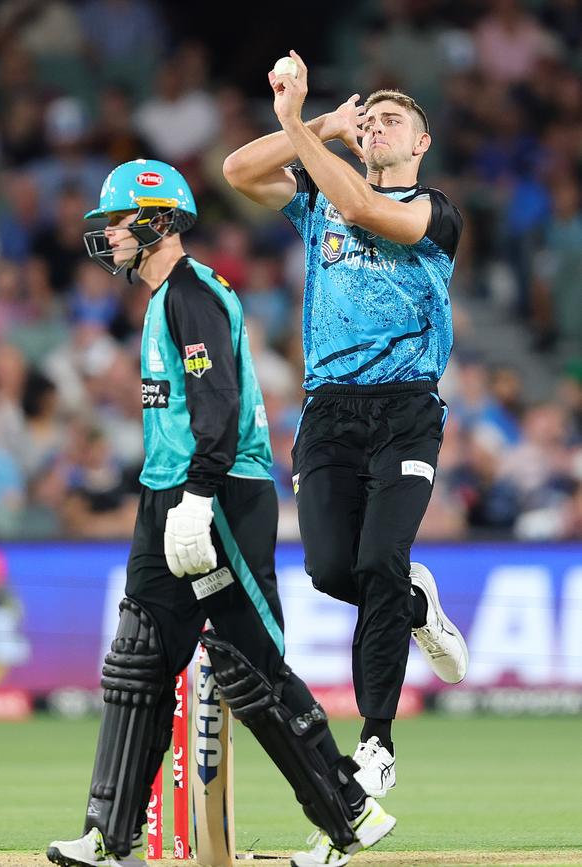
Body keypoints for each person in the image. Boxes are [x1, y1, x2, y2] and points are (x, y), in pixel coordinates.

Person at [46, 159, 396, 867]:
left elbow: (221, 404)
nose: (108, 234)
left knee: (249, 663)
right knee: (138, 657)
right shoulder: (162, 300)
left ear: (158, 222)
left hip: (220, 495)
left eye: (118, 220)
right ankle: (111, 836)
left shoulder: (192, 295)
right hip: (167, 494)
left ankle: (351, 812)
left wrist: (199, 496)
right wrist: (172, 498)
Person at [223, 52, 469, 808]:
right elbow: (237, 171)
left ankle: (376, 741)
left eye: (394, 119)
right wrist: (320, 127)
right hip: (328, 407)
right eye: (371, 119)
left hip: (405, 408)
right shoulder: (318, 191)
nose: (379, 126)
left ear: (421, 143)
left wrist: (299, 124)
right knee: (334, 570)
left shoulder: (437, 211)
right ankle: (415, 604)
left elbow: (366, 211)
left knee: (380, 558)